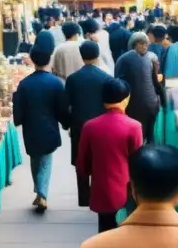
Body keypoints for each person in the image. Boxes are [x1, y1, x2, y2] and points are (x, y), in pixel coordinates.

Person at [76, 79, 143, 232]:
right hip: (127, 192)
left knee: (105, 230)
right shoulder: (134, 126)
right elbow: (137, 163)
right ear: (126, 99)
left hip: (101, 190)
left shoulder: (90, 126)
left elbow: (82, 164)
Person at [13, 45, 69, 213]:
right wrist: (66, 123)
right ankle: (42, 193)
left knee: (36, 159)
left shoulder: (24, 84)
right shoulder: (55, 83)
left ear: (32, 60)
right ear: (48, 60)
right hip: (49, 127)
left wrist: (18, 120)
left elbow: (18, 109)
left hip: (30, 128)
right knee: (45, 160)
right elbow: (62, 108)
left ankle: (40, 192)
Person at [66, 41, 112, 207]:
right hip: (101, 125)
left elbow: (67, 104)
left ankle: (84, 198)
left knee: (81, 161)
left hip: (79, 125)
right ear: (97, 54)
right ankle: (99, 194)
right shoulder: (106, 78)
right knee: (99, 160)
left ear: (81, 54)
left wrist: (68, 124)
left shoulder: (72, 79)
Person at [115, 32, 162, 145]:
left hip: (146, 104)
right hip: (140, 104)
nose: (144, 47)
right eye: (141, 44)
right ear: (133, 45)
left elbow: (155, 81)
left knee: (144, 135)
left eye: (146, 44)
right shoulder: (126, 60)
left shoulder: (149, 59)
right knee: (143, 134)